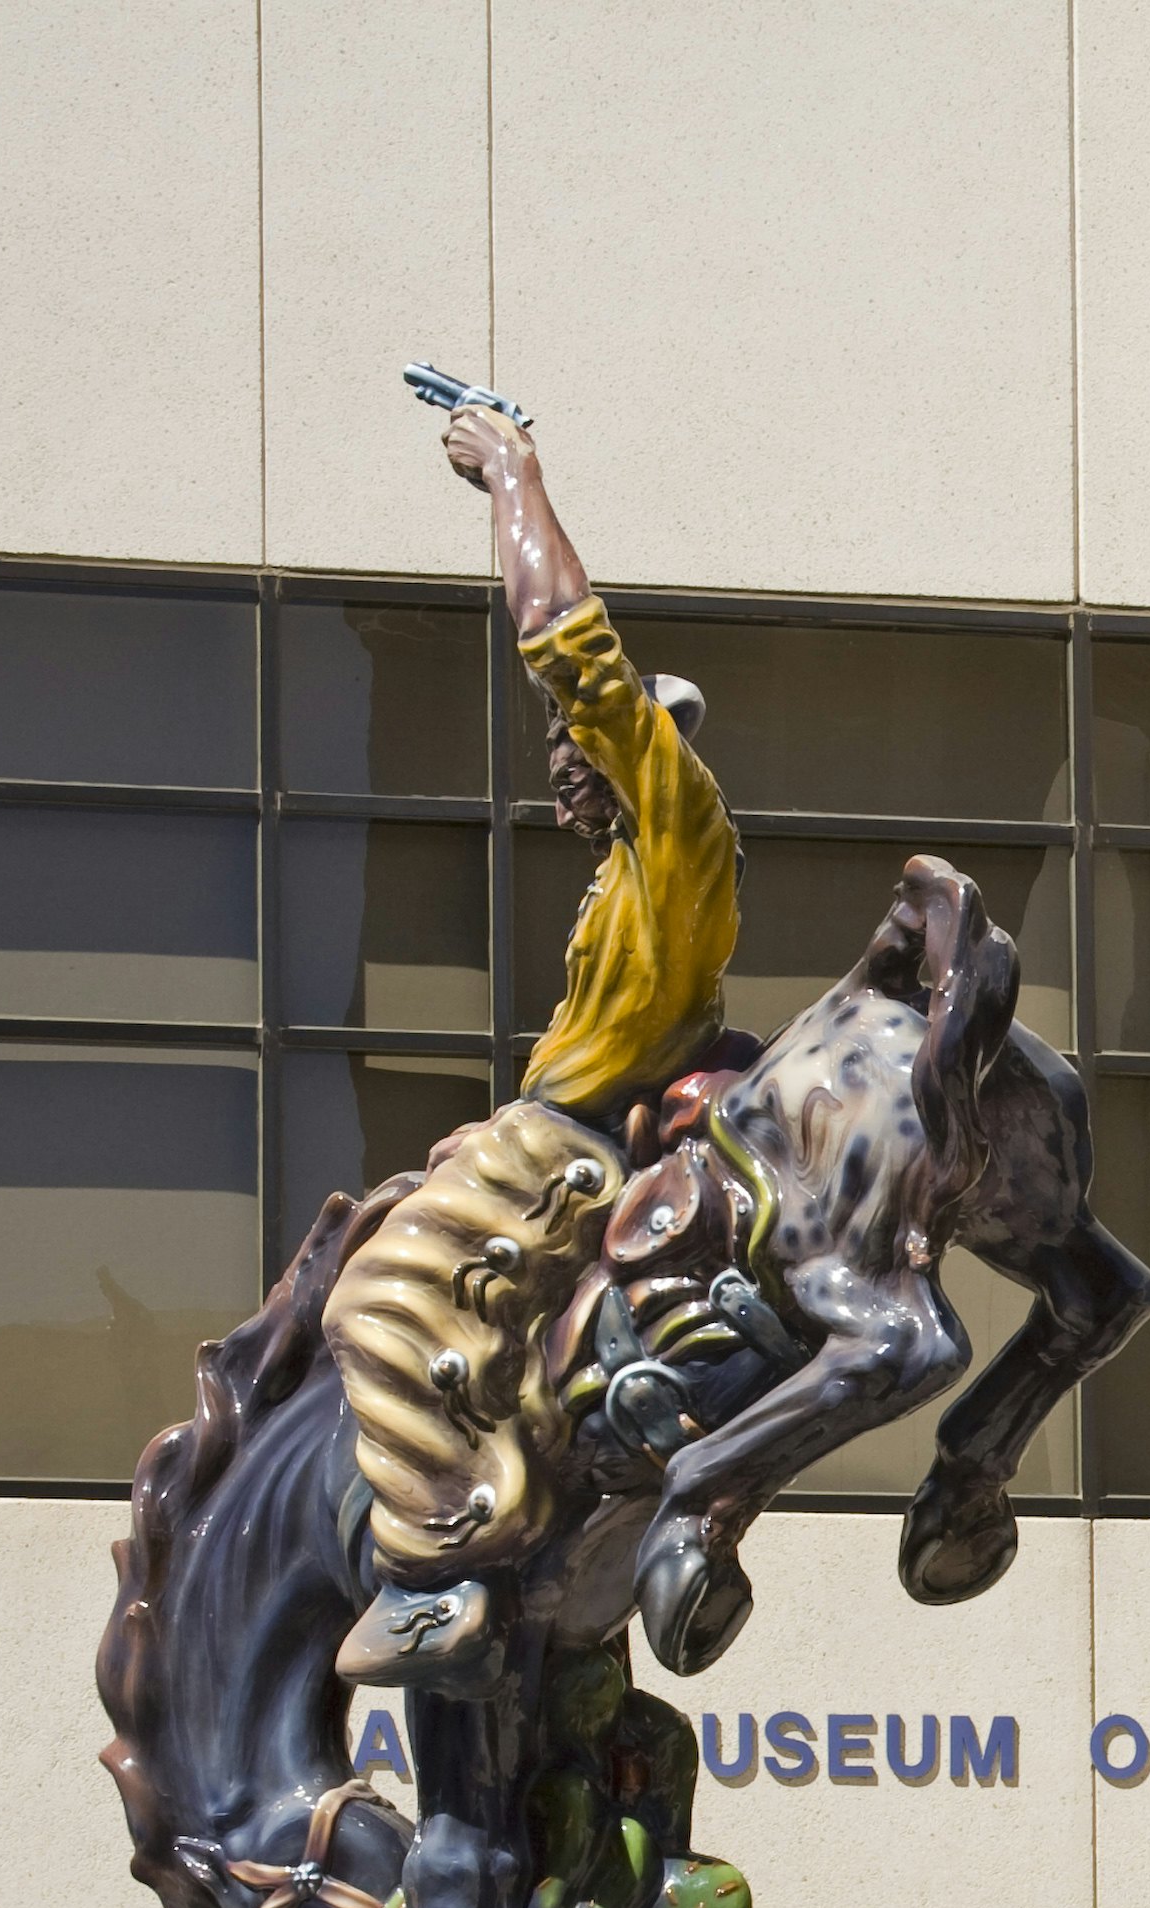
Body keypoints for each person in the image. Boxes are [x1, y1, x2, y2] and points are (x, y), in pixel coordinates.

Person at [324, 403, 744, 1690]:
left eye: (576, 746)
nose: (560, 763)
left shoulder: (673, 830)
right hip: (555, 1133)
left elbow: (574, 647)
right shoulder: (626, 877)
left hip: (563, 1150)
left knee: (377, 1306)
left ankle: (435, 1562)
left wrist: (511, 476)